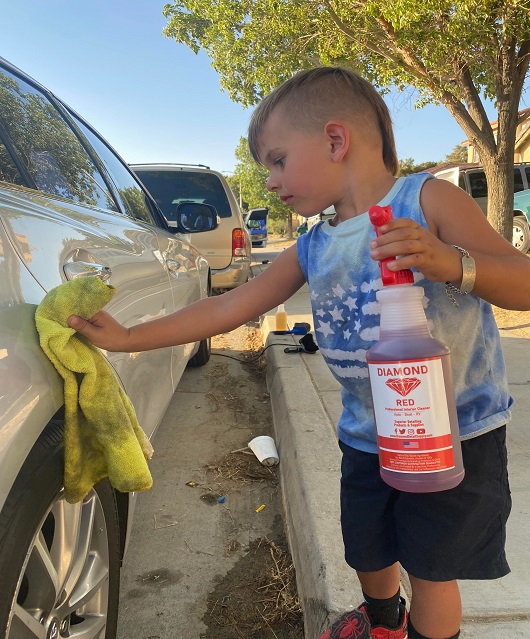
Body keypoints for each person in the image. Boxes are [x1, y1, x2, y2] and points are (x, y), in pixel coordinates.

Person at [68, 67, 530, 639]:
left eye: (278, 161)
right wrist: (129, 337)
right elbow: (229, 306)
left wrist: (450, 262)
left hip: (453, 434)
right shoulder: (314, 244)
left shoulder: (428, 199)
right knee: (366, 548)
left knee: (432, 570)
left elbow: (522, 282)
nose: (269, 182)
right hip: (367, 434)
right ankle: (383, 620)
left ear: (335, 140)